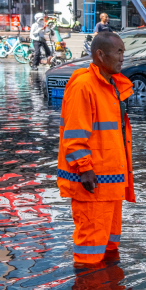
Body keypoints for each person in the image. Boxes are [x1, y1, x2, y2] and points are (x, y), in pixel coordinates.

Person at [56, 32, 134, 264]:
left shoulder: (110, 86)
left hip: (110, 183)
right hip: (93, 185)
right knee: (89, 253)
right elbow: (74, 136)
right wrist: (85, 168)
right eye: (118, 52)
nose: (123, 57)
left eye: (123, 52)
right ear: (100, 54)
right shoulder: (84, 86)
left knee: (109, 248)